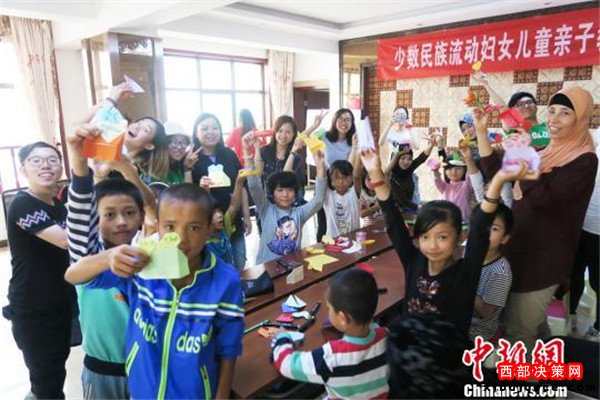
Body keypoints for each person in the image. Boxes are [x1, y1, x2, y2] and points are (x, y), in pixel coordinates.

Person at [64, 183, 244, 399]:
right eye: (170, 227)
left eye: (193, 228)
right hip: (143, 392)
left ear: (209, 229)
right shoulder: (141, 266)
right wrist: (108, 257)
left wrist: (222, 396)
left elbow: (229, 347)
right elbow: (73, 275)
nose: (181, 239)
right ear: (158, 227)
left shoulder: (226, 280)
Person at [475, 86, 597, 351]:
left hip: (544, 260)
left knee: (519, 332)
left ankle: (524, 377)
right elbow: (497, 173)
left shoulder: (585, 160)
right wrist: (481, 133)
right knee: (533, 325)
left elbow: (544, 199)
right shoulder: (545, 153)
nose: (554, 119)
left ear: (580, 118)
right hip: (520, 248)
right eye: (551, 111)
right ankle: (548, 365)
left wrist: (525, 157)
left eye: (565, 113)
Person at [360, 146, 531, 335]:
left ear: (460, 238)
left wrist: (498, 181)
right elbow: (393, 221)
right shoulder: (413, 261)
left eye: (442, 237)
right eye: (425, 236)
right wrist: (375, 173)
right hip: (411, 348)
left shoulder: (466, 273)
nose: (432, 245)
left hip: (449, 353)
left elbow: (480, 228)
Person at [66, 124, 146, 399]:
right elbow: (79, 219)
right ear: (94, 219)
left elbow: (156, 210)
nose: (121, 221)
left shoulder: (148, 253)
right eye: (109, 215)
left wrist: (127, 169)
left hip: (146, 368)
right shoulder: (89, 257)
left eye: (129, 213)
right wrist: (79, 164)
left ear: (141, 217)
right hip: (102, 372)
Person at [4, 141, 74, 399]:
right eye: (36, 160)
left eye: (52, 160)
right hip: (33, 306)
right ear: (23, 169)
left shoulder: (57, 205)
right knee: (47, 379)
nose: (46, 165)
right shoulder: (22, 204)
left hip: (59, 299)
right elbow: (67, 240)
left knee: (54, 369)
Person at [271, 268, 389, 399]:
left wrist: (282, 337)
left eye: (329, 308)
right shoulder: (386, 337)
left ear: (343, 318)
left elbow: (286, 365)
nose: (328, 312)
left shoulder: (331, 357)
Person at [243, 132, 326, 264]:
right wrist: (247, 151)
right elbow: (253, 185)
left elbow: (319, 200)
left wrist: (320, 167)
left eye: (290, 190)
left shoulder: (299, 213)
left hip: (292, 267)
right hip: (267, 267)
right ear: (273, 193)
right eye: (280, 190)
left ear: (296, 193)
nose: (285, 195)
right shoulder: (266, 209)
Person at [191, 112, 251, 270]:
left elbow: (242, 186)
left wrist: (246, 216)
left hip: (233, 218)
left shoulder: (229, 154)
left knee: (239, 262)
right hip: (208, 225)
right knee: (213, 266)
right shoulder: (191, 160)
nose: (210, 132)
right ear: (196, 133)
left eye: (215, 128)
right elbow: (189, 195)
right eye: (204, 128)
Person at [568, 128, 599, 341]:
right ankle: (570, 314)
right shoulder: (591, 136)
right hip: (578, 222)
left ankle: (598, 327)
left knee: (597, 281)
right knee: (573, 274)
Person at [311, 108, 358, 241]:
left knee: (343, 221)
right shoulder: (324, 136)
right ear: (335, 120)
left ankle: (346, 247)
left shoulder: (353, 141)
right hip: (325, 183)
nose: (344, 122)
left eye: (348, 120)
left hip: (343, 185)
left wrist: (355, 145)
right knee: (323, 224)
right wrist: (315, 125)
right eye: (341, 119)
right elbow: (305, 141)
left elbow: (349, 167)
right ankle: (322, 250)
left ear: (352, 123)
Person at [469, 203, 513, 342]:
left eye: (494, 229)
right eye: (480, 225)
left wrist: (464, 282)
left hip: (475, 334)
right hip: (457, 321)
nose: (485, 232)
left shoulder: (500, 272)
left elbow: (486, 312)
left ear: (504, 238)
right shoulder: (467, 253)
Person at [473, 72, 549, 151]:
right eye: (520, 104)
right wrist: (485, 84)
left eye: (529, 102)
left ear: (536, 106)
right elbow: (502, 107)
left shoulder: (548, 126)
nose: (526, 106)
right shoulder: (515, 130)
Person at [258, 115, 306, 204]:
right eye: (280, 131)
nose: (283, 135)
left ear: (293, 135)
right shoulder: (264, 151)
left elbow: (286, 176)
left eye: (288, 132)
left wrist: (293, 152)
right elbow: (257, 176)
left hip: (287, 201)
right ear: (274, 132)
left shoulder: (296, 158)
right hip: (268, 201)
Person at [204, 172, 246, 265]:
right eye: (214, 213)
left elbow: (234, 205)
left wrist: (239, 181)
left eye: (219, 211)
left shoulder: (225, 229)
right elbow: (204, 207)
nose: (220, 215)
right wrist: (205, 190)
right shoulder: (202, 238)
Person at [384, 134, 435, 211]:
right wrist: (419, 208)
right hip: (396, 211)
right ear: (396, 159)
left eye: (409, 159)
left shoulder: (409, 168)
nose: (406, 162)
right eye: (403, 158)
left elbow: (421, 158)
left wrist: (431, 145)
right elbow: (402, 200)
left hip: (410, 207)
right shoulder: (391, 174)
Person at [324, 159, 360, 237]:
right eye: (336, 178)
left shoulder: (353, 193)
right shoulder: (328, 196)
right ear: (331, 179)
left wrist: (360, 153)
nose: (340, 181)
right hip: (332, 241)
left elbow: (357, 177)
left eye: (345, 177)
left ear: (351, 178)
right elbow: (322, 173)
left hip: (353, 240)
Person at [432, 154, 473, 222]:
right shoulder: (444, 186)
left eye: (458, 168)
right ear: (445, 171)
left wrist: (468, 161)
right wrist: (436, 171)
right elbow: (437, 179)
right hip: (447, 219)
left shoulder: (466, 185)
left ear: (464, 170)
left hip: (463, 219)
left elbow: (470, 174)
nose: (454, 171)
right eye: (450, 169)